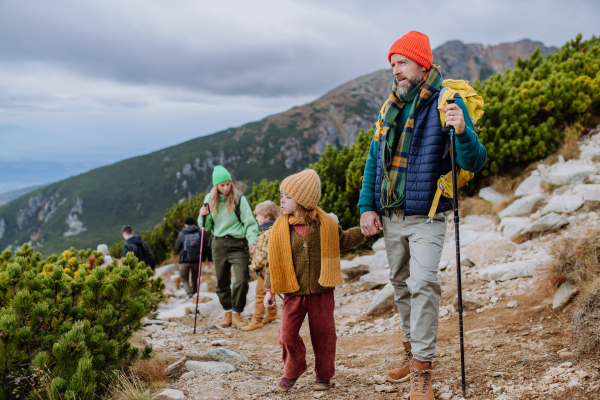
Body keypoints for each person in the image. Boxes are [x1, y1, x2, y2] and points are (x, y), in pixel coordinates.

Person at [358, 31, 487, 400]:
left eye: (400, 62)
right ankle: (411, 350)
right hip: (391, 215)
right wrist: (368, 207)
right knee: (400, 286)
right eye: (392, 64)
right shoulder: (390, 106)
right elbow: (373, 162)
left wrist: (462, 131)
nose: (395, 70)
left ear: (421, 63)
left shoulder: (448, 102)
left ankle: (422, 370)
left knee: (423, 284)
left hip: (427, 215)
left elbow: (474, 161)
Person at [263, 169, 364, 393]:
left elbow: (344, 240)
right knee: (286, 335)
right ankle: (295, 368)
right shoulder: (280, 228)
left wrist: (365, 232)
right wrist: (269, 290)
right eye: (282, 195)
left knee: (325, 336)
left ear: (302, 200)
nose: (281, 200)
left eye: (287, 196)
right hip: (293, 292)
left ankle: (324, 375)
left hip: (321, 290)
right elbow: (274, 261)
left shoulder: (325, 223)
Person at [199, 165, 259, 328]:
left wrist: (252, 240)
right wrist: (202, 215)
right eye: (222, 185)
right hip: (218, 243)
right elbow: (207, 226)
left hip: (238, 244)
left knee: (242, 279)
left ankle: (237, 312)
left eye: (228, 184)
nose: (226, 188)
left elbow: (250, 224)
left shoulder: (240, 199)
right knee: (222, 282)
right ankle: (227, 312)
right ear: (216, 186)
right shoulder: (209, 199)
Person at [241, 200, 280, 332]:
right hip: (265, 269)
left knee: (260, 294)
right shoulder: (270, 230)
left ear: (267, 217)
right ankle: (272, 313)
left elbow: (265, 253)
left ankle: (257, 319)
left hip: (264, 269)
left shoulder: (268, 232)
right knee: (268, 291)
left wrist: (254, 265)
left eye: (258, 215)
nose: (256, 218)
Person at [176, 216, 213, 298]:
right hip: (197, 260)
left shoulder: (182, 233)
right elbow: (206, 246)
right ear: (193, 224)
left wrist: (182, 254)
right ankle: (195, 295)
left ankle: (190, 295)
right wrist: (209, 259)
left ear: (185, 225)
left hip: (184, 261)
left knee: (184, 278)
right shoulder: (200, 232)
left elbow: (177, 247)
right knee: (195, 278)